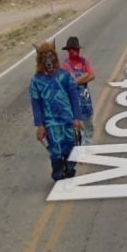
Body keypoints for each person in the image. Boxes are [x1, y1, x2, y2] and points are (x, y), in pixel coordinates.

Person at [29, 41, 83, 181]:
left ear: (55, 58)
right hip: (51, 122)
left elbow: (74, 95)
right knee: (56, 149)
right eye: (44, 57)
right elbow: (35, 103)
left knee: (71, 145)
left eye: (51, 57)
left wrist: (77, 117)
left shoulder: (64, 75)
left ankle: (70, 169)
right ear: (40, 60)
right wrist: (40, 125)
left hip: (67, 119)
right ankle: (58, 173)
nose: (48, 61)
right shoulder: (36, 81)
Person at [61, 36, 95, 145]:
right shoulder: (66, 65)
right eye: (71, 49)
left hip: (85, 99)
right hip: (73, 100)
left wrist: (78, 79)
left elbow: (92, 76)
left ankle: (87, 148)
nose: (73, 51)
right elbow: (72, 81)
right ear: (68, 50)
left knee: (89, 126)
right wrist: (85, 75)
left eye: (75, 48)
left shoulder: (84, 61)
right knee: (76, 127)